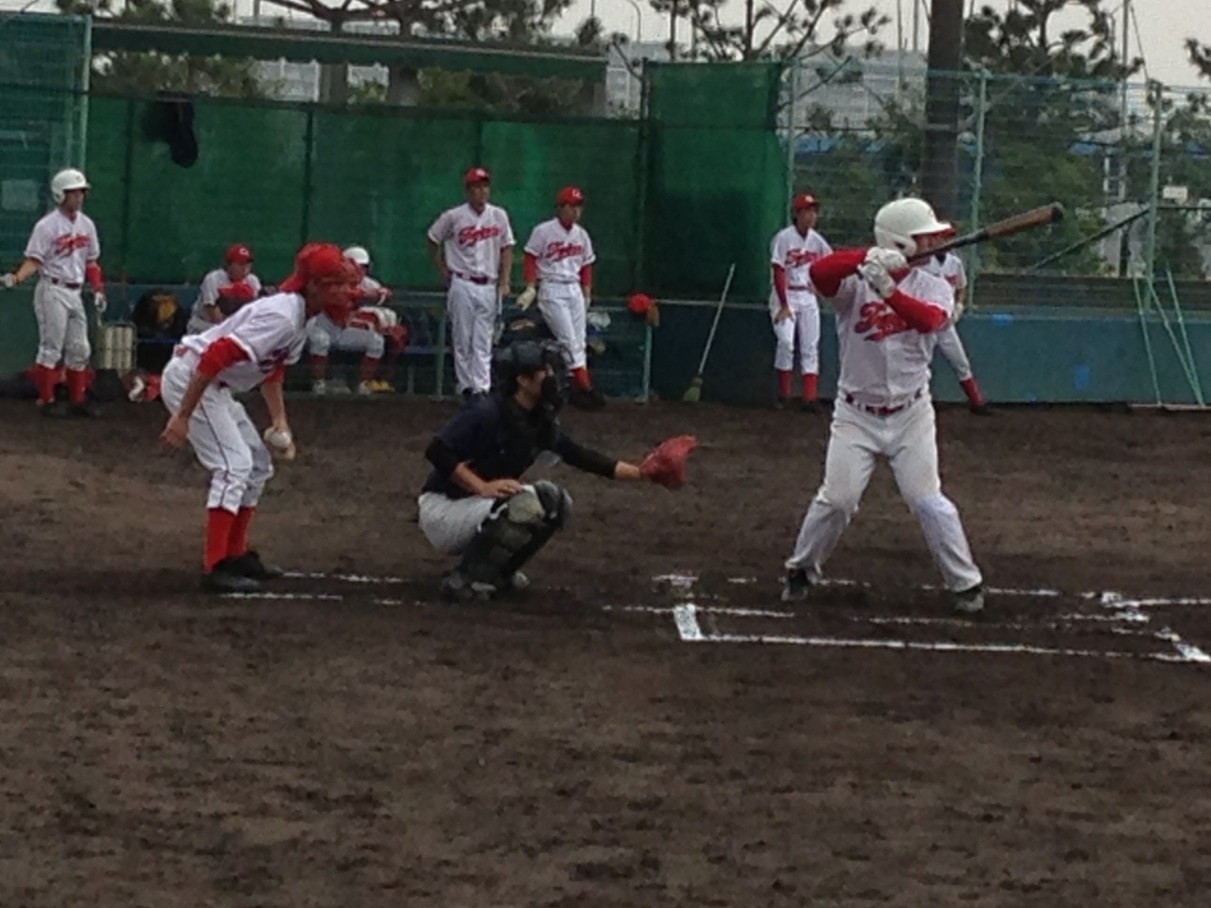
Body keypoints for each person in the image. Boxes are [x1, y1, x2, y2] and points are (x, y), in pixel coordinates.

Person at [781, 197, 985, 615]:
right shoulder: (856, 282)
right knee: (837, 499)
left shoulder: (934, 286)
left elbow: (929, 321)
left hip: (912, 414)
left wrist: (890, 290)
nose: (932, 241)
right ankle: (801, 569)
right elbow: (819, 274)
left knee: (928, 500)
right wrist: (866, 259)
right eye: (923, 236)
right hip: (856, 414)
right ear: (899, 241)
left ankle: (965, 584)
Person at [418, 340, 687, 601]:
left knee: (554, 502)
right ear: (522, 380)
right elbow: (437, 451)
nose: (553, 377)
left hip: (475, 507)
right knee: (526, 505)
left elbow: (581, 456)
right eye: (545, 371)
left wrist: (643, 472)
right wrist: (481, 487)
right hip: (444, 508)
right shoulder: (486, 412)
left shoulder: (535, 418)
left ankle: (498, 572)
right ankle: (463, 579)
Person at [159, 243, 358, 594]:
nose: (345, 291)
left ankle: (235, 555)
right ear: (313, 286)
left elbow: (273, 369)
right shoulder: (282, 315)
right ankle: (215, 565)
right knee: (233, 466)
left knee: (257, 465)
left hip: (213, 385)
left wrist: (280, 420)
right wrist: (182, 416)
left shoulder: (300, 317)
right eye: (336, 283)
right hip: (194, 377)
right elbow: (216, 355)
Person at [1, 167, 105, 418]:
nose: (79, 197)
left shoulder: (87, 225)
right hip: (52, 288)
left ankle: (77, 401)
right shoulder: (47, 226)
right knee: (52, 347)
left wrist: (98, 288)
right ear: (60, 195)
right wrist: (16, 277)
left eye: (81, 192)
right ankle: (46, 400)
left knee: (80, 348)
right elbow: (34, 260)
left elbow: (91, 262)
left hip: (75, 291)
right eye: (73, 193)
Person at [426, 167, 515, 400]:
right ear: (468, 191)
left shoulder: (498, 215)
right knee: (462, 337)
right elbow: (432, 239)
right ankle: (466, 387)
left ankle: (481, 388)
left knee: (483, 338)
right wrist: (442, 269)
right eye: (476, 187)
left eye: (485, 186)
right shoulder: (453, 216)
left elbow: (507, 248)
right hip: (462, 281)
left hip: (488, 283)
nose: (482, 191)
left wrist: (505, 280)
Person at [517, 186, 604, 410]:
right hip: (552, 286)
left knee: (579, 341)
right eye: (570, 206)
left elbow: (586, 265)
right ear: (560, 207)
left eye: (578, 206)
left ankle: (574, 389)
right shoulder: (544, 230)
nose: (575, 211)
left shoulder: (581, 234)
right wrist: (531, 286)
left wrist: (586, 292)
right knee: (568, 341)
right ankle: (585, 388)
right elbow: (530, 258)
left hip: (573, 288)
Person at [307, 245, 403, 395]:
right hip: (322, 323)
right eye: (357, 266)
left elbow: (385, 294)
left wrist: (378, 295)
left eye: (364, 267)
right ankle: (318, 382)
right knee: (320, 341)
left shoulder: (368, 283)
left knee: (376, 341)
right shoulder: (329, 278)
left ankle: (364, 384)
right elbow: (337, 296)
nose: (360, 271)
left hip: (346, 328)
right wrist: (362, 294)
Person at [769, 193, 832, 412]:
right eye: (807, 211)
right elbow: (778, 270)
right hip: (785, 295)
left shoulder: (817, 240)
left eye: (814, 211)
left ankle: (809, 398)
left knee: (810, 346)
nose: (811, 216)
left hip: (806, 295)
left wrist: (821, 287)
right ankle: (783, 395)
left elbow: (829, 264)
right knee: (786, 342)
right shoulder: (783, 238)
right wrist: (784, 304)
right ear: (797, 214)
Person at [924, 242, 993, 415]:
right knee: (918, 364)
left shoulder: (955, 263)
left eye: (946, 239)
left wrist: (959, 305)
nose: (943, 243)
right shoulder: (923, 262)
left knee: (961, 362)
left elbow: (961, 286)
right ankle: (916, 403)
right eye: (939, 238)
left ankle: (977, 403)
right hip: (925, 323)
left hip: (946, 324)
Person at [186, 244, 262, 335]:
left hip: (233, 329)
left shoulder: (252, 281)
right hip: (204, 328)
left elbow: (257, 311)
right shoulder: (214, 278)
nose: (245, 268)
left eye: (248, 264)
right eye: (240, 264)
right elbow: (214, 315)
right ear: (229, 265)